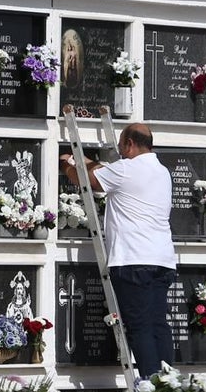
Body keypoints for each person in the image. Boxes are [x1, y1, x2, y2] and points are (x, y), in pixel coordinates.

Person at [60, 122, 177, 377]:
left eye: (122, 146)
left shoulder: (125, 170)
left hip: (134, 260)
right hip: (163, 260)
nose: (121, 152)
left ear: (130, 144)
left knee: (139, 327)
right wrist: (84, 159)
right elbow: (103, 169)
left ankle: (150, 386)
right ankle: (170, 386)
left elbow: (84, 177)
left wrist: (67, 162)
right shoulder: (162, 171)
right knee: (159, 325)